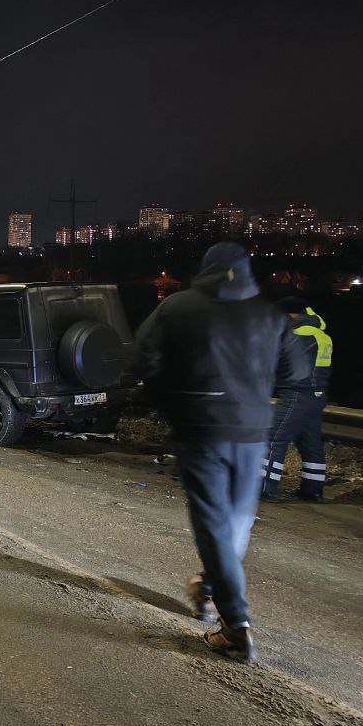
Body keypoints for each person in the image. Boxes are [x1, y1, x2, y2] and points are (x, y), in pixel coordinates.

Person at [135, 242, 302, 662]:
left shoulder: (177, 307)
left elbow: (143, 356)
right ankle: (209, 589)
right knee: (238, 521)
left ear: (205, 268)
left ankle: (235, 625)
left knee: (213, 524)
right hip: (251, 432)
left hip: (199, 428)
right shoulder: (269, 313)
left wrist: (170, 403)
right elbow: (295, 371)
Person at [262, 298, 333, 502]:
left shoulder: (296, 334)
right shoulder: (321, 335)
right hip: (317, 395)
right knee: (310, 444)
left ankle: (265, 487)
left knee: (274, 438)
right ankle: (313, 490)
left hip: (297, 393)